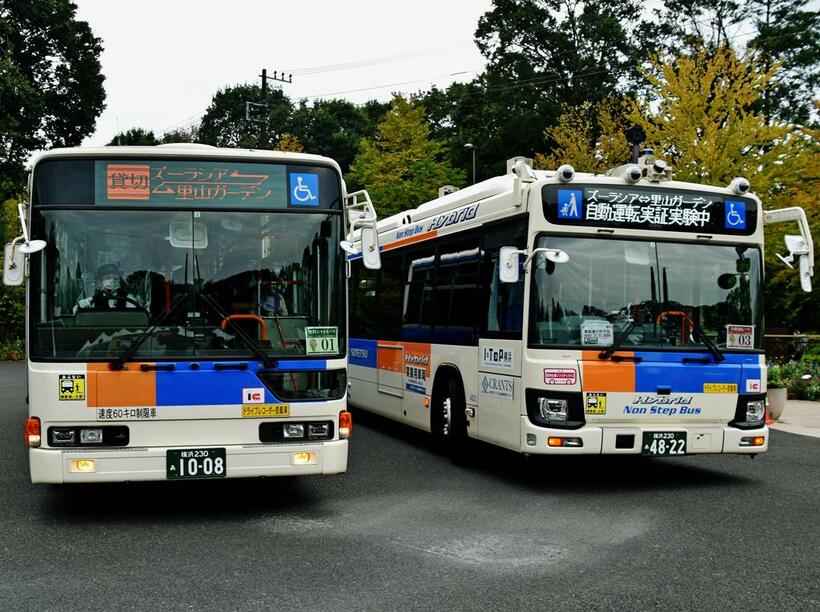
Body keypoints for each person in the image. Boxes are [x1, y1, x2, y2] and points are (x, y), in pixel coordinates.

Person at [74, 263, 144, 312]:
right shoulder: (94, 300)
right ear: (100, 282)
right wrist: (81, 306)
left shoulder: (128, 299)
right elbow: (76, 310)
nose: (112, 281)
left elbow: (135, 316)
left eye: (115, 278)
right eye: (108, 278)